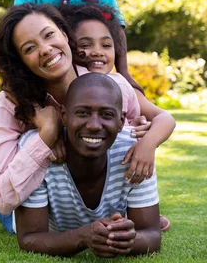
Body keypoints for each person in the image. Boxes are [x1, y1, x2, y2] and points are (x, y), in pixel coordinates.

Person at [0, 4, 140, 233]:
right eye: (30, 48)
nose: (44, 49)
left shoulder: (109, 86)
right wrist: (45, 137)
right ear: (20, 61)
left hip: (93, 206)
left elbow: (136, 133)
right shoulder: (9, 104)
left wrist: (145, 143)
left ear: (64, 32)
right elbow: (5, 200)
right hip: (36, 209)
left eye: (49, 35)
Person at [15, 73, 161, 257]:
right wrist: (84, 236)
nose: (93, 125)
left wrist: (124, 239)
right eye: (82, 113)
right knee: (1, 206)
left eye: (106, 114)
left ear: (121, 121)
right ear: (64, 116)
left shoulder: (135, 149)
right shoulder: (37, 148)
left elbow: (152, 235)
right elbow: (29, 238)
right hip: (16, 208)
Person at [64, 4, 176, 188]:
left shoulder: (121, 85)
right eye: (85, 45)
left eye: (106, 45)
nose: (98, 51)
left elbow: (165, 118)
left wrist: (148, 143)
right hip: (74, 173)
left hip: (116, 172)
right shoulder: (69, 81)